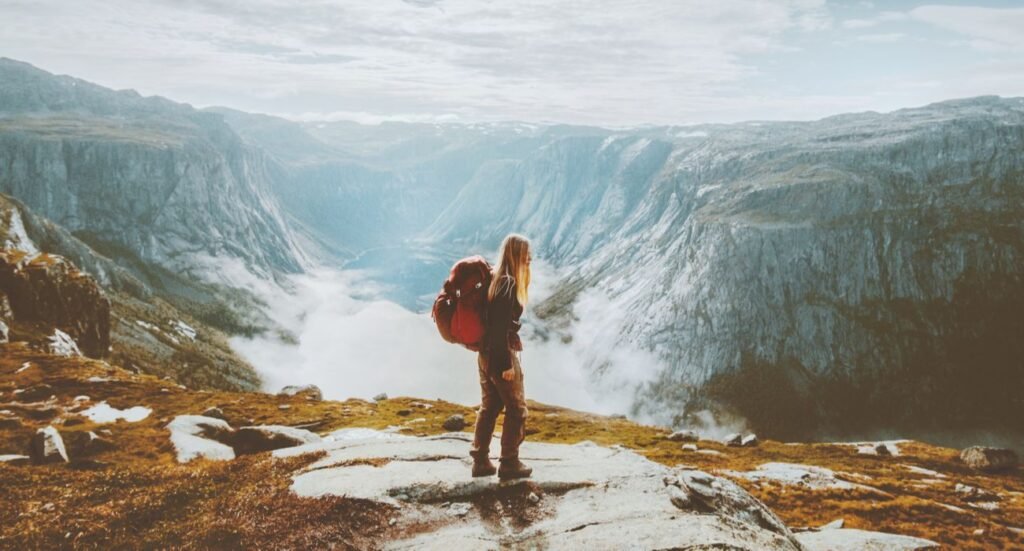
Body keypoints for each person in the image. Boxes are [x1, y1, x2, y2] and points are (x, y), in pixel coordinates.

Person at [470, 233, 533, 480]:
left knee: (490, 406)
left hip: (486, 354)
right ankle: (509, 462)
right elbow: (498, 330)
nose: (530, 259)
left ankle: (481, 461)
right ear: (514, 254)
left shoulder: (496, 280)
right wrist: (506, 364)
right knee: (517, 409)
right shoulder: (507, 285)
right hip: (499, 354)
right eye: (525, 254)